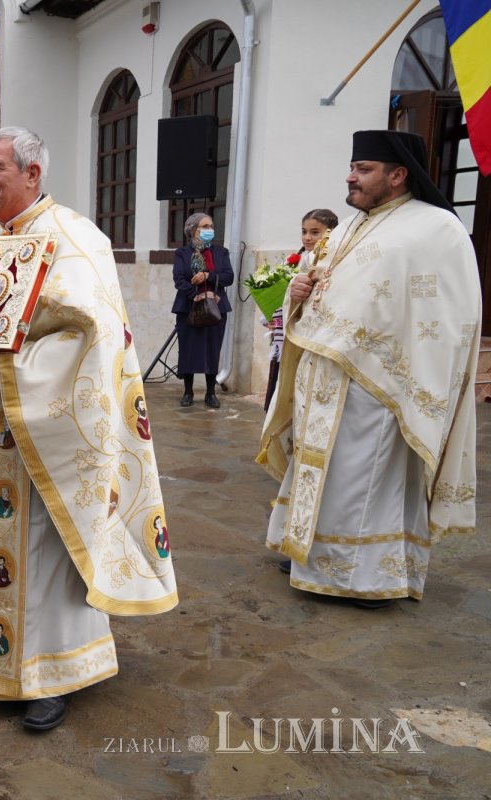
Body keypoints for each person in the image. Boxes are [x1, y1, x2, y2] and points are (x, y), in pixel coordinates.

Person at [0, 127, 178, 732]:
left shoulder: (77, 239)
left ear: (33, 173)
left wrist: (6, 358)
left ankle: (55, 674)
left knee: (43, 548)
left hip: (45, 437)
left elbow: (91, 337)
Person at [258, 130, 479, 608]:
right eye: (353, 167)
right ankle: (309, 553)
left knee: (365, 478)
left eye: (363, 169)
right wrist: (299, 293)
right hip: (327, 374)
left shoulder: (436, 228)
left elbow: (449, 314)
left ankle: (365, 577)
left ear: (397, 175)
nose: (350, 177)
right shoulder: (352, 226)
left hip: (381, 384)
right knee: (324, 472)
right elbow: (326, 283)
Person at [263, 209, 338, 412]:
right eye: (304, 231)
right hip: (286, 337)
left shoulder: (333, 264)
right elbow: (284, 299)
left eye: (315, 232)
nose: (307, 237)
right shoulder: (293, 261)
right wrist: (274, 318)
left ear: (332, 233)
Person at [171, 212, 234, 408]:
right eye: (204, 227)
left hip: (215, 306)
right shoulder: (182, 253)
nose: (210, 230)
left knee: (212, 350)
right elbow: (179, 279)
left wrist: (208, 276)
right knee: (188, 349)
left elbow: (228, 277)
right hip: (188, 307)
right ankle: (188, 392)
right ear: (192, 230)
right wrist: (195, 294)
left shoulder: (221, 252)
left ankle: (210, 393)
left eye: (211, 226)